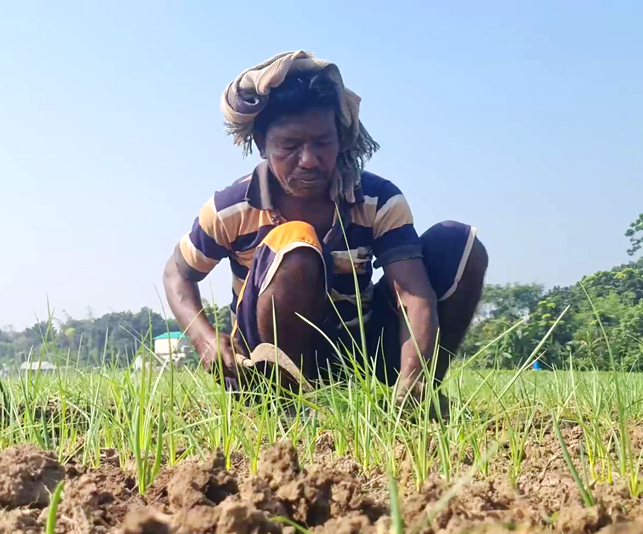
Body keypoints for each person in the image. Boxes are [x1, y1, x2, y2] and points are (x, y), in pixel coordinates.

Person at [163, 51, 488, 409]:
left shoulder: (377, 200)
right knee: (296, 244)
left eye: (322, 142)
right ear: (261, 145)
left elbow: (414, 295)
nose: (309, 160)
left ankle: (410, 401)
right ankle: (283, 406)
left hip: (357, 353)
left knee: (459, 244)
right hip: (269, 364)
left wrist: (414, 380)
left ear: (341, 139)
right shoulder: (231, 208)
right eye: (289, 146)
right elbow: (177, 274)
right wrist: (205, 340)